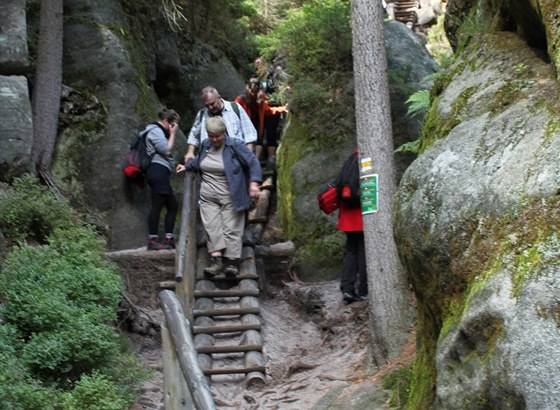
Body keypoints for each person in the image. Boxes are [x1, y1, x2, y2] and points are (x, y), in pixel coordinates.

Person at [177, 116, 262, 277]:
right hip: (208, 196)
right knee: (212, 227)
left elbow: (253, 163)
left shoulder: (235, 145)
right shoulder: (205, 145)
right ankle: (216, 261)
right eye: (211, 136)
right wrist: (187, 166)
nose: (214, 139)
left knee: (231, 229)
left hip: (231, 195)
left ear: (224, 133)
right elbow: (199, 162)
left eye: (217, 136)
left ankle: (232, 262)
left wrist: (253, 183)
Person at [184, 86, 257, 163]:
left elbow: (250, 133)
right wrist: (190, 152)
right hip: (211, 159)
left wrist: (248, 155)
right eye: (207, 105)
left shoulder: (235, 108)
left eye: (212, 103)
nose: (210, 107)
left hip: (236, 158)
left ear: (219, 97)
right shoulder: (202, 114)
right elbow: (194, 135)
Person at [145, 108, 181, 251]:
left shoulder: (159, 131)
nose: (174, 128)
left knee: (172, 206)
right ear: (166, 122)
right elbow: (166, 149)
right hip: (156, 171)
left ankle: (168, 238)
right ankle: (152, 240)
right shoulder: (155, 130)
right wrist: (172, 134)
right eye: (173, 124)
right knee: (157, 205)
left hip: (161, 171)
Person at [336, 149, 368, 303]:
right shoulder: (368, 160)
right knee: (363, 251)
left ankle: (347, 289)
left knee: (351, 251)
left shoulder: (351, 159)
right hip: (362, 215)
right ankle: (364, 290)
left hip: (347, 215)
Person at [234, 78, 287, 161]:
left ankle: (256, 159)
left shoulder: (261, 98)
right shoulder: (241, 99)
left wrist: (283, 108)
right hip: (245, 124)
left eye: (255, 90)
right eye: (252, 90)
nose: (253, 93)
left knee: (259, 139)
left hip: (256, 122)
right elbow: (234, 110)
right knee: (247, 140)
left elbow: (269, 110)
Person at [253, 57, 287, 159]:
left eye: (260, 63)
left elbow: (281, 88)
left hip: (273, 105)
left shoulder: (273, 76)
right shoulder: (257, 78)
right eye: (256, 64)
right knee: (260, 131)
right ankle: (257, 159)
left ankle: (271, 159)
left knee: (271, 132)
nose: (258, 66)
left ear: (265, 64)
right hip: (261, 107)